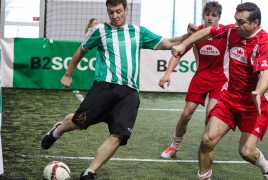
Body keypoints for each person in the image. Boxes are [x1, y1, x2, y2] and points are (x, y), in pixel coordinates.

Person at [41, 0, 196, 179]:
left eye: (118, 11)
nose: (115, 16)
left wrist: (188, 35)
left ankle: (89, 172)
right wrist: (68, 74)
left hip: (129, 93)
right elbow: (81, 51)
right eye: (111, 12)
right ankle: (57, 131)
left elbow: (168, 42)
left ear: (126, 10)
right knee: (78, 122)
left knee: (119, 134)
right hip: (104, 88)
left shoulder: (138, 32)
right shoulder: (99, 31)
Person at [172, 2, 268, 180]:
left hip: (254, 105)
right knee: (206, 140)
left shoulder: (264, 42)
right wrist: (182, 45)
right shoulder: (232, 31)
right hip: (229, 99)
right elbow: (209, 31)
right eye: (235, 20)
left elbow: (266, 73)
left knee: (246, 152)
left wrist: (259, 91)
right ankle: (204, 177)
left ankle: (266, 167)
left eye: (241, 22)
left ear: (255, 23)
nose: (236, 25)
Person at [159, 1, 229, 159]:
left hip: (220, 80)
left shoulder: (226, 33)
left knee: (211, 117)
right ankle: (174, 146)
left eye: (214, 15)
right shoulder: (196, 33)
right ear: (203, 15)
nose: (210, 18)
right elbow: (178, 53)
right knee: (186, 115)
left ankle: (207, 146)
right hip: (201, 78)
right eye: (207, 14)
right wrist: (167, 73)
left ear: (219, 17)